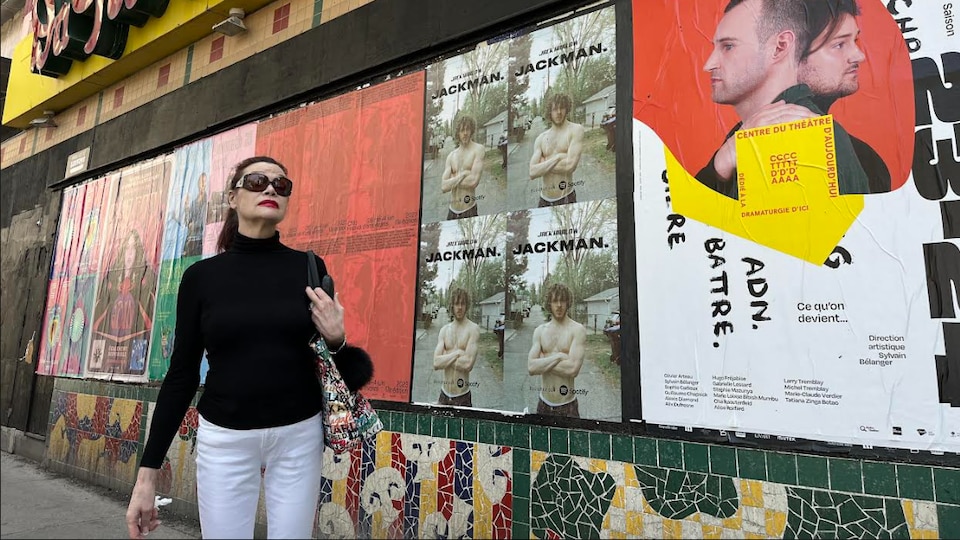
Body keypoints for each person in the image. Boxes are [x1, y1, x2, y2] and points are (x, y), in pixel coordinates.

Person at [125, 156, 373, 540]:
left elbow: (338, 371)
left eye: (281, 184)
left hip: (298, 436)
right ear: (232, 197)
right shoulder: (201, 278)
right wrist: (147, 477)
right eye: (257, 181)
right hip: (225, 438)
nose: (271, 189)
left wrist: (338, 339)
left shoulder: (309, 268)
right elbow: (182, 375)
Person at [694, 0, 869, 199]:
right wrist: (719, 167)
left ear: (780, 47)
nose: (709, 64)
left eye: (729, 46)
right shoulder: (749, 135)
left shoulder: (789, 134)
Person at [798, 0, 891, 193]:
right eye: (839, 44)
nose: (859, 56)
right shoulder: (740, 149)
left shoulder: (865, 158)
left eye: (854, 41)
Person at [91, 229, 157, 373]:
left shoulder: (147, 276)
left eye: (133, 248)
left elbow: (150, 315)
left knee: (134, 368)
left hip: (135, 340)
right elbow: (98, 312)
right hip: (110, 341)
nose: (129, 253)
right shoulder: (111, 277)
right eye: (127, 248)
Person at [527, 283, 586, 418]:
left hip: (568, 405)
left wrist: (542, 362)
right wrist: (559, 356)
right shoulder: (540, 331)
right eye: (554, 301)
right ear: (549, 303)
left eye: (562, 300)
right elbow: (531, 367)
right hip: (543, 403)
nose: (559, 305)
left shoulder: (577, 330)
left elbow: (572, 369)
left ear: (568, 302)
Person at [529, 92, 585, 207]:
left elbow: (570, 166)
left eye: (562, 108)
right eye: (555, 109)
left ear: (567, 109)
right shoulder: (541, 138)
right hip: (543, 199)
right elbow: (532, 172)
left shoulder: (575, 130)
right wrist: (559, 157)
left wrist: (544, 164)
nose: (558, 112)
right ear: (549, 112)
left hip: (566, 197)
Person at [432, 288, 480, 407]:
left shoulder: (473, 329)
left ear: (467, 306)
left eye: (462, 303)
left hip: (462, 397)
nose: (459, 307)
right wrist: (457, 353)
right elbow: (436, 363)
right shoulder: (444, 330)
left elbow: (468, 365)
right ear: (452, 306)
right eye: (457, 303)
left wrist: (445, 358)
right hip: (444, 394)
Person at [441, 115, 485, 220]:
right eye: (462, 130)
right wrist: (463, 174)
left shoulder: (478, 149)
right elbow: (443, 187)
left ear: (471, 130)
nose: (465, 133)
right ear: (458, 133)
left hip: (469, 210)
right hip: (452, 211)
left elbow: (473, 181)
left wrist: (453, 179)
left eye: (467, 129)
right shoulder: (451, 156)